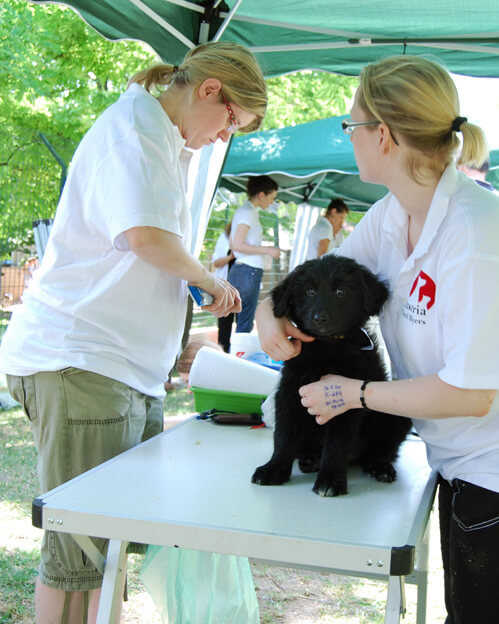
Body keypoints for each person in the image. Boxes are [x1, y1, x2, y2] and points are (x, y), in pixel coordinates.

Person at [256, 55, 499, 624]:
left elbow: (473, 393)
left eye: (351, 125)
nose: (349, 136)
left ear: (382, 135)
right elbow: (316, 277)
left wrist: (355, 394)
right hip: (464, 455)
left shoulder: (480, 233)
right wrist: (269, 313)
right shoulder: (392, 215)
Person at [0, 41, 267, 624]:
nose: (224, 137)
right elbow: (146, 237)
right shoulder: (136, 132)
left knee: (110, 549)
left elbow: (143, 248)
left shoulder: (161, 137)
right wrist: (207, 281)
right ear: (210, 90)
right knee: (81, 554)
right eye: (230, 121)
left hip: (119, 368)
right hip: (84, 362)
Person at [228, 175, 281, 333]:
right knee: (244, 324)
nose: (272, 202)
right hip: (247, 271)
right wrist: (267, 250)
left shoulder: (244, 211)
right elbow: (237, 245)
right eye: (271, 198)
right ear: (262, 195)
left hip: (242, 270)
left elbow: (233, 244)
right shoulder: (248, 212)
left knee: (240, 322)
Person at [212, 222, 236, 352]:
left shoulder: (249, 242)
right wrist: (231, 257)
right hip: (225, 288)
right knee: (224, 325)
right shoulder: (224, 238)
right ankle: (223, 353)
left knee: (243, 326)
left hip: (242, 288)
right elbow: (216, 263)